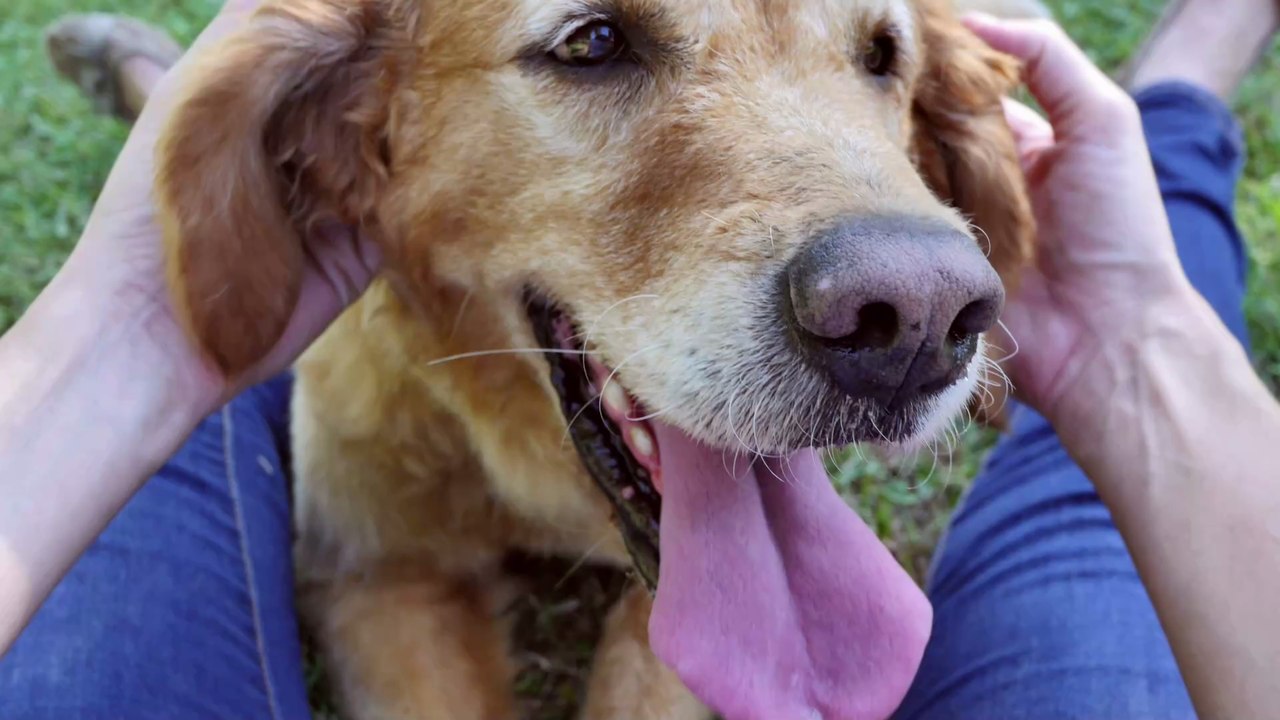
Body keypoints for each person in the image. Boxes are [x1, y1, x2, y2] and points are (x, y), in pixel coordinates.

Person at [1, 0, 1278, 717]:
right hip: (414, 352)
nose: (926, 280)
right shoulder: (351, 160)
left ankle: (1176, 87)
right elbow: (389, 579)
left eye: (872, 49)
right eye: (595, 42)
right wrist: (142, 316)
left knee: (1134, 225)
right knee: (244, 389)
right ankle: (156, 81)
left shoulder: (933, 230)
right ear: (367, 122)